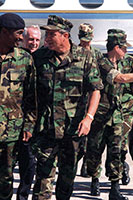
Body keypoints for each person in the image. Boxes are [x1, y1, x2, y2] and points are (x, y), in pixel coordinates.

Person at [31, 15, 103, 200]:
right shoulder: (40, 58)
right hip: (46, 129)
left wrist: (89, 118)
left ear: (65, 35)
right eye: (46, 34)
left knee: (67, 179)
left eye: (51, 34)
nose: (46, 38)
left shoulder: (85, 57)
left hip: (73, 130)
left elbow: (96, 90)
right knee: (42, 182)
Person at [86, 28, 133, 200]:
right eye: (123, 47)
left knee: (117, 150)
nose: (126, 51)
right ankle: (95, 178)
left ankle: (114, 187)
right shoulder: (101, 62)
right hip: (100, 116)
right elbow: (121, 78)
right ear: (116, 47)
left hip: (117, 114)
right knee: (95, 150)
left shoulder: (127, 62)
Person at [0, 13, 36, 200]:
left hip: (10, 132)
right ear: (4, 32)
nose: (22, 38)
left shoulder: (24, 60)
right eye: (19, 33)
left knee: (6, 178)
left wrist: (29, 126)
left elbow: (31, 98)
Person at [17, 25, 41, 200]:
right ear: (23, 39)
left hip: (32, 123)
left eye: (37, 40)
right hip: (10, 120)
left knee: (29, 164)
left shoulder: (42, 59)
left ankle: (23, 196)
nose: (33, 43)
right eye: (30, 39)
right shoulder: (15, 57)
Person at [78, 22, 104, 178]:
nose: (85, 42)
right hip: (78, 99)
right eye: (83, 38)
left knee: (92, 138)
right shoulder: (74, 52)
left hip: (93, 99)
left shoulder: (96, 54)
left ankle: (86, 166)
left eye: (88, 38)